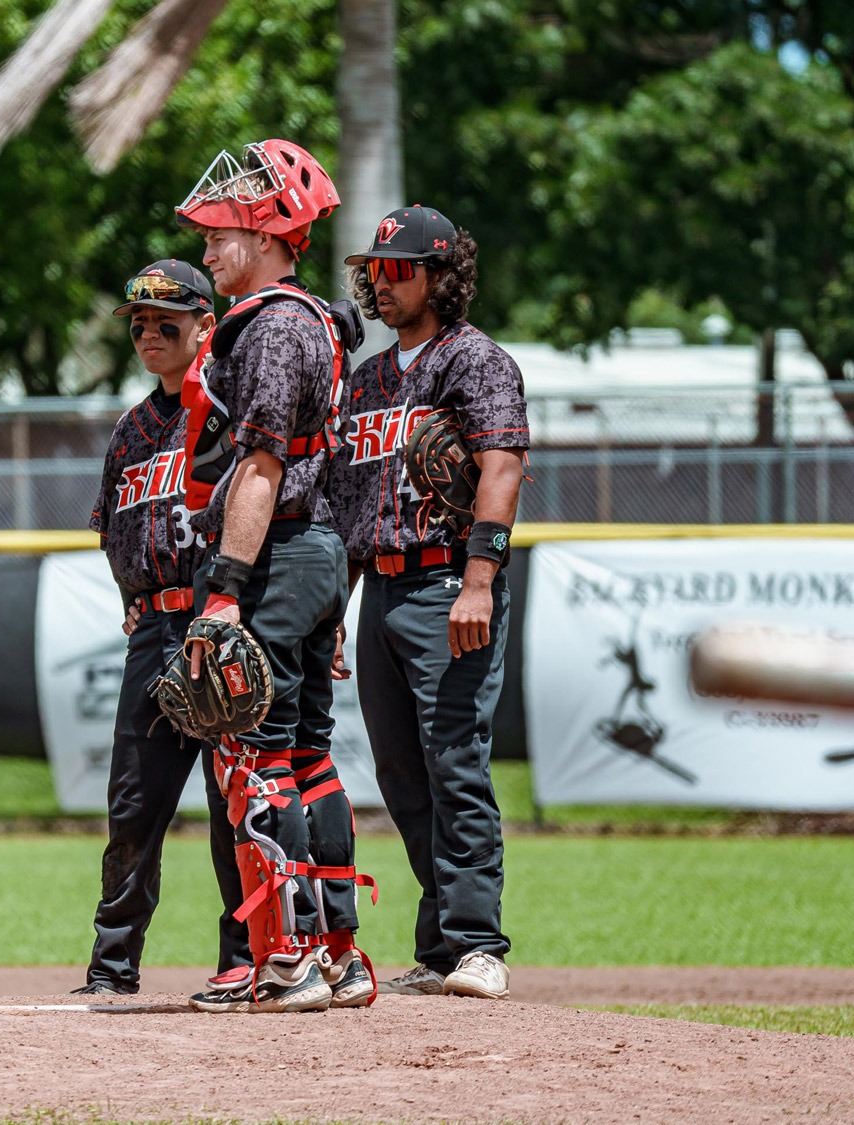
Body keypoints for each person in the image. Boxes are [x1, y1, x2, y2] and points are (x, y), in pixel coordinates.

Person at [172, 139, 373, 1013]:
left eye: (219, 235)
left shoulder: (275, 326)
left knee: (254, 757)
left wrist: (224, 592)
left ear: (265, 234)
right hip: (310, 550)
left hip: (279, 547)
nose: (208, 250)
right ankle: (337, 955)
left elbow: (259, 467)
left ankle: (286, 956)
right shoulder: (313, 323)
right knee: (307, 755)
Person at [333, 205, 526, 1000]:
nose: (382, 281)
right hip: (379, 586)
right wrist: (334, 611)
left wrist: (479, 578)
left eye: (399, 268)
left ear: (443, 276)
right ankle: (442, 946)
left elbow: (502, 467)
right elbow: (347, 502)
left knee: (455, 762)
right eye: (374, 270)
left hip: (450, 578)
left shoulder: (474, 361)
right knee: (401, 772)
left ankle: (480, 943)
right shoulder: (369, 377)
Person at [75, 260, 251, 997]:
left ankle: (243, 956)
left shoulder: (233, 411)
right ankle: (113, 966)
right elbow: (111, 526)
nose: (149, 332)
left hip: (218, 624)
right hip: (153, 629)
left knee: (232, 803)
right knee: (134, 807)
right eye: (139, 322)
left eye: (166, 320)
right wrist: (134, 596)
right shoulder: (132, 427)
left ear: (205, 326)